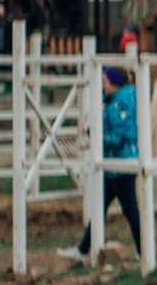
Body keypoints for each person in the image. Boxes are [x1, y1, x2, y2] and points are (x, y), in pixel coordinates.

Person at [58, 67, 140, 261]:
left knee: (128, 209)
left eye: (105, 80)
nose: (102, 85)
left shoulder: (120, 103)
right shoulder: (117, 101)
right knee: (104, 207)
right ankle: (83, 250)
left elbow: (121, 137)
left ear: (114, 82)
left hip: (120, 164)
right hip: (114, 164)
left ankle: (143, 252)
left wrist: (94, 134)